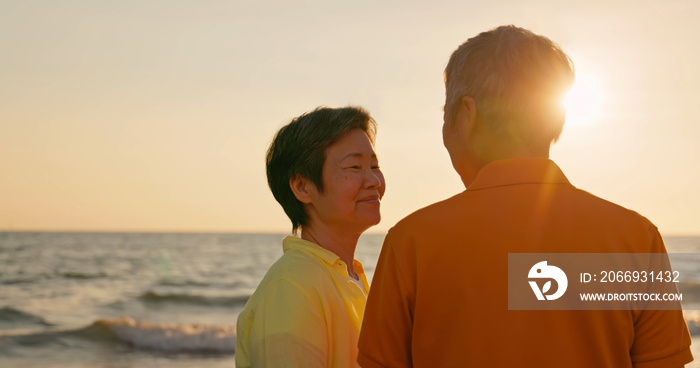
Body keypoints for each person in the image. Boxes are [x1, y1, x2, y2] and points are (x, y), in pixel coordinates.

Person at [357, 25, 693, 367]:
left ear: (466, 115)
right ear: (556, 117)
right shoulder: (636, 238)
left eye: (447, 114)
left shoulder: (411, 242)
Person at [236, 106, 386, 367]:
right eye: (354, 166)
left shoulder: (348, 277)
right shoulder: (293, 285)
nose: (373, 179)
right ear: (302, 186)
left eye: (374, 165)